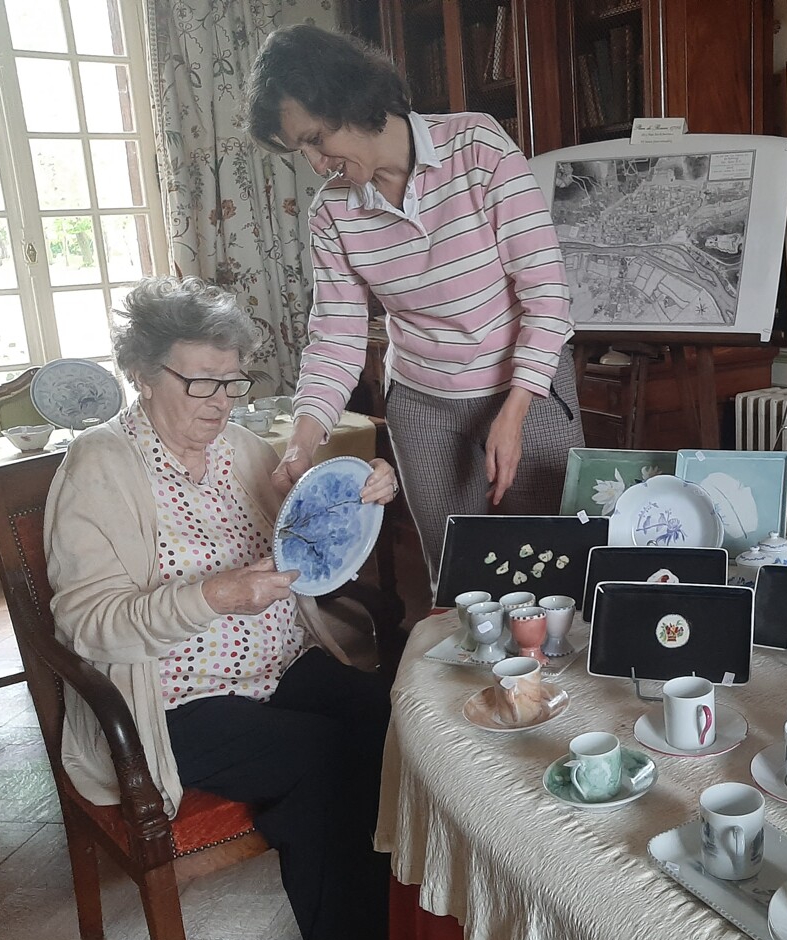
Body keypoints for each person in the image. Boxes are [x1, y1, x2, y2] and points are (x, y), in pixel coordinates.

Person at [44, 276, 396, 940]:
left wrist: (361, 491)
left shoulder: (242, 449)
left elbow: (309, 542)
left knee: (397, 718)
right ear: (143, 375)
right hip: (176, 700)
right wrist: (215, 597)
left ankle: (406, 930)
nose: (222, 402)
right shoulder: (100, 466)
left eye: (233, 382)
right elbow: (87, 625)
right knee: (320, 760)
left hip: (281, 666)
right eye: (202, 383)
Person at [245, 24, 585, 590]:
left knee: (553, 572)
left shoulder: (477, 147)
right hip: (424, 407)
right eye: (298, 150)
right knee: (458, 581)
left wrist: (517, 408)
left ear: (352, 102)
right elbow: (336, 338)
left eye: (315, 138)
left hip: (528, 390)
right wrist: (303, 442)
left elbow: (546, 296)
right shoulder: (332, 214)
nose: (313, 162)